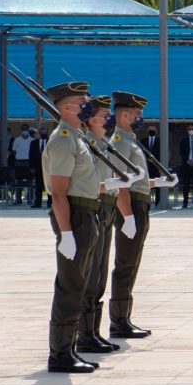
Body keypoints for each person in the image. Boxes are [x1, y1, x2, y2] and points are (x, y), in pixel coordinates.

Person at [42, 82, 102, 373]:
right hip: (74, 216)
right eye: (82, 101)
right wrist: (65, 233)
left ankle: (70, 349)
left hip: (85, 213)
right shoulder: (64, 140)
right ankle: (60, 354)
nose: (87, 105)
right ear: (65, 108)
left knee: (78, 283)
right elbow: (58, 192)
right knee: (70, 284)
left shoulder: (77, 138)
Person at [75, 95, 123, 355]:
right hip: (95, 204)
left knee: (101, 272)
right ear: (91, 120)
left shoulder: (102, 144)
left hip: (107, 206)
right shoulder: (87, 145)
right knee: (91, 273)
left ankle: (94, 331)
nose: (109, 119)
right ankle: (84, 334)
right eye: (105, 116)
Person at [109, 92, 153, 339]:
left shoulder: (131, 141)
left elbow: (136, 180)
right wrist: (127, 217)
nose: (140, 118)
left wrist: (157, 182)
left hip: (140, 203)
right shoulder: (121, 142)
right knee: (125, 263)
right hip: (131, 206)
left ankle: (124, 317)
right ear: (125, 115)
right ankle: (118, 321)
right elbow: (121, 184)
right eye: (137, 114)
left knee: (132, 262)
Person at [9, 124, 33, 204]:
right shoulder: (17, 139)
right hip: (19, 161)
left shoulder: (32, 140)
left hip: (28, 162)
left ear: (28, 130)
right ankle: (18, 199)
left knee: (30, 180)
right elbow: (14, 150)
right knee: (18, 181)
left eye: (26, 129)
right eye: (23, 129)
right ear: (21, 130)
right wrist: (19, 156)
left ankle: (30, 199)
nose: (25, 131)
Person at [29, 127, 51, 208]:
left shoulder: (51, 142)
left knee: (49, 186)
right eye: (42, 132)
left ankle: (50, 203)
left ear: (47, 133)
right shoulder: (33, 143)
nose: (43, 133)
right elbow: (31, 155)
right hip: (37, 168)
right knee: (38, 186)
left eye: (45, 132)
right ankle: (38, 203)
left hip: (49, 168)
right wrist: (31, 167)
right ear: (39, 133)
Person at [140, 126, 162, 206]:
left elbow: (162, 153)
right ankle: (147, 200)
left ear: (156, 131)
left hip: (156, 166)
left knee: (158, 184)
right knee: (146, 183)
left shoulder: (160, 141)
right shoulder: (143, 141)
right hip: (146, 166)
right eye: (150, 130)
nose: (151, 131)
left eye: (153, 130)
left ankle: (158, 201)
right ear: (147, 131)